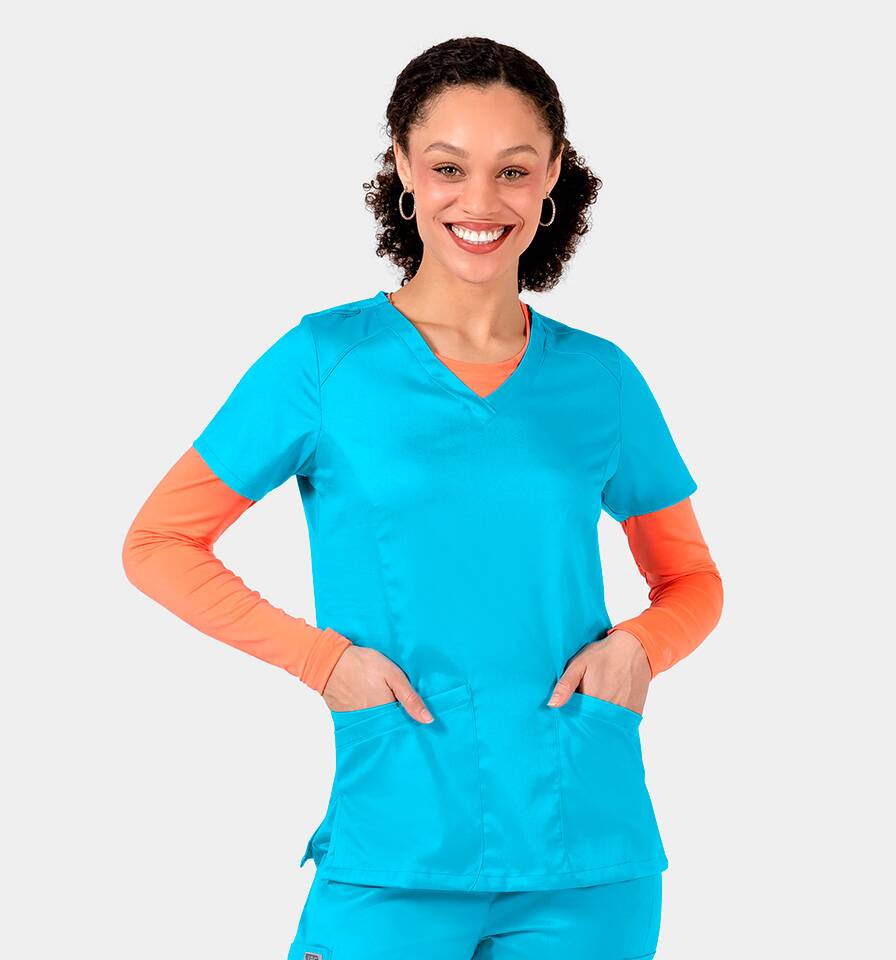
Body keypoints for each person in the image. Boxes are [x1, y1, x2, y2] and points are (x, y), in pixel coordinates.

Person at [122, 36, 723, 960]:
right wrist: (323, 662)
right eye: (448, 167)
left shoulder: (601, 379)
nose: (480, 202)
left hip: (587, 856)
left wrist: (640, 650)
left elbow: (691, 580)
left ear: (552, 175)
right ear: (402, 166)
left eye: (512, 170)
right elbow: (159, 542)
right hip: (393, 842)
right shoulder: (324, 362)